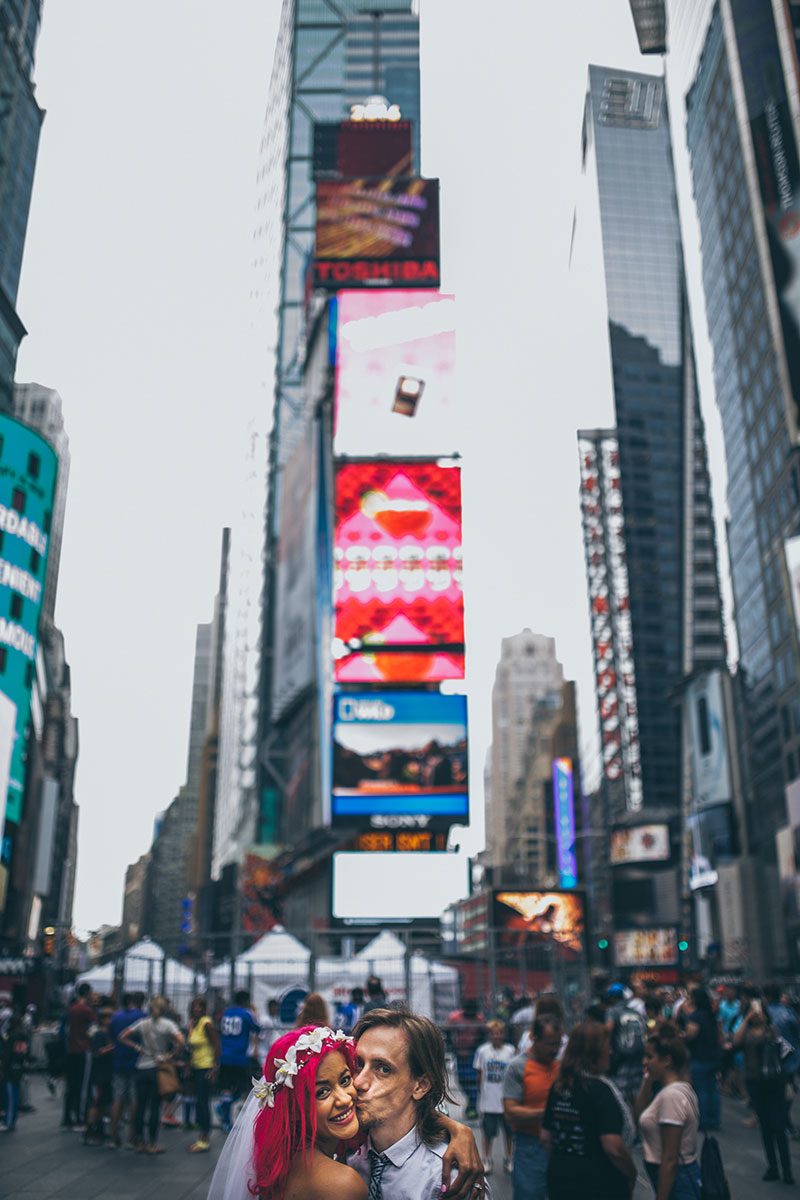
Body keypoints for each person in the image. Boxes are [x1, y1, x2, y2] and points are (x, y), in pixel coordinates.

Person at [208, 1013, 486, 1200]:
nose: (357, 1083)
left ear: (420, 1085)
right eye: (357, 1065)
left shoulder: (449, 1175)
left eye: (382, 1069)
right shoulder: (349, 1155)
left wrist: (457, 1129)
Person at [541, 1022, 636, 1200]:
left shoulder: (559, 1087)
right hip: (600, 1184)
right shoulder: (600, 1090)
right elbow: (613, 1146)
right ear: (594, 1053)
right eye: (607, 1048)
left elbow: (546, 1137)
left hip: (560, 1180)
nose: (611, 1053)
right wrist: (631, 1171)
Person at [634, 1026, 701, 1200]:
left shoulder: (671, 1096)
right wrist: (648, 1079)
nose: (644, 1062)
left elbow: (670, 1157)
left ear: (667, 1060)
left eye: (650, 1057)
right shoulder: (675, 1089)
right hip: (676, 1178)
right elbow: (639, 1114)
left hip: (678, 1179)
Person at [503, 1015, 562, 1200]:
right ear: (534, 1037)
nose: (554, 1049)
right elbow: (511, 1111)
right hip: (530, 1146)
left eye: (558, 1044)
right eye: (549, 1044)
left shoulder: (560, 1067)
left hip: (560, 1145)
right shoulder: (518, 1067)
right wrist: (548, 1114)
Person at [734, 1001, 794, 1183]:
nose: (756, 1014)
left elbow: (785, 1051)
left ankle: (787, 1170)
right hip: (755, 1082)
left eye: (758, 1011)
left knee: (778, 1126)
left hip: (774, 1083)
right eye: (753, 1010)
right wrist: (746, 1019)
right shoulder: (747, 1032)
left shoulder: (771, 1030)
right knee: (766, 1126)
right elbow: (736, 1041)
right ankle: (773, 1167)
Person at [119, 993, 185, 1155]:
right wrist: (171, 1055)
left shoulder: (143, 1023)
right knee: (155, 1106)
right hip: (158, 1067)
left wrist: (138, 1048)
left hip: (142, 1067)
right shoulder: (167, 1024)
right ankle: (152, 1143)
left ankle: (139, 1141)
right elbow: (181, 1041)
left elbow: (122, 1036)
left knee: (140, 1106)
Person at [473, 1019, 515, 1175]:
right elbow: (480, 1074)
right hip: (489, 1101)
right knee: (488, 1133)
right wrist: (481, 1095)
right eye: (494, 1033)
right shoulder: (483, 1051)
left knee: (509, 1132)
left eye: (500, 1033)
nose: (497, 1036)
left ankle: (509, 1158)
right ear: (489, 1035)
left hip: (506, 1100)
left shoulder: (510, 1050)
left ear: (503, 1034)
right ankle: (487, 1159)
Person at [217, 989, 261, 1133]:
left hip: (224, 1056)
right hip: (239, 1058)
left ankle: (225, 1116)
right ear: (246, 1001)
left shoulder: (226, 1013)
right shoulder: (245, 1014)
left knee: (226, 1088)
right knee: (243, 1088)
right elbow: (257, 1028)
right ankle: (224, 1108)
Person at [680, 986, 721, 1131]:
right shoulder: (711, 1015)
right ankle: (714, 1119)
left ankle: (704, 1120)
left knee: (701, 1090)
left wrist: (683, 1035)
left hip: (699, 1057)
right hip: (712, 1057)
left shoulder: (696, 1016)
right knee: (713, 1089)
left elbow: (691, 1035)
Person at [110, 990, 145, 1147]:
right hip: (136, 1062)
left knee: (118, 1097)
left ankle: (114, 1133)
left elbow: (112, 1037)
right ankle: (132, 1135)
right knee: (134, 1098)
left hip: (119, 1061)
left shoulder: (116, 1017)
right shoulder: (142, 1017)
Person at [187, 995, 219, 1153]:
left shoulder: (206, 1023)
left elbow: (216, 1045)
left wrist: (214, 1068)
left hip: (206, 1067)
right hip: (197, 1067)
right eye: (194, 1006)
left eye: (199, 1006)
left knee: (203, 1102)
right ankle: (201, 1136)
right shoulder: (195, 1023)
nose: (196, 1009)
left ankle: (204, 1139)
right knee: (198, 1102)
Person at [606, 984, 646, 1110]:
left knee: (621, 1096)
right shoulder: (635, 1012)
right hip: (638, 1057)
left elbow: (608, 1029)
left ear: (611, 998)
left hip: (622, 1058)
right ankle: (638, 1125)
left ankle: (627, 1125)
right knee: (636, 1094)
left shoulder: (612, 1011)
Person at [63, 982, 95, 1129]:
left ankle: (67, 1117)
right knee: (83, 1086)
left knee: (71, 1085)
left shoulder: (71, 1009)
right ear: (87, 993)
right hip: (83, 1049)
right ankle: (80, 1117)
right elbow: (93, 1029)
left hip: (71, 1050)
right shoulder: (86, 1010)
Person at [448, 997, 485, 1119]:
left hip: (473, 1052)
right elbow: (448, 1035)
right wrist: (456, 1050)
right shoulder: (455, 1018)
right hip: (459, 1052)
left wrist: (472, 1050)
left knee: (474, 1080)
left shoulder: (479, 1019)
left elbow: (482, 1036)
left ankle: (472, 1108)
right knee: (462, 1079)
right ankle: (471, 1104)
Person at [84, 1005, 115, 1145]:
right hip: (99, 1074)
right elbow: (98, 1052)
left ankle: (99, 1128)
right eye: (109, 1018)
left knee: (103, 1102)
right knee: (96, 1101)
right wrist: (111, 1047)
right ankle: (90, 1129)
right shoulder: (99, 1034)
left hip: (106, 1073)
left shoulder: (108, 1033)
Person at [0, 1010, 30, 1132]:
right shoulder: (23, 1034)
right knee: (15, 1093)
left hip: (11, 1067)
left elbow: (8, 1053)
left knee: (10, 1094)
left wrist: (3, 1066)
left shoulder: (13, 1036)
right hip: (18, 1067)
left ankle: (9, 1121)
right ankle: (11, 1119)